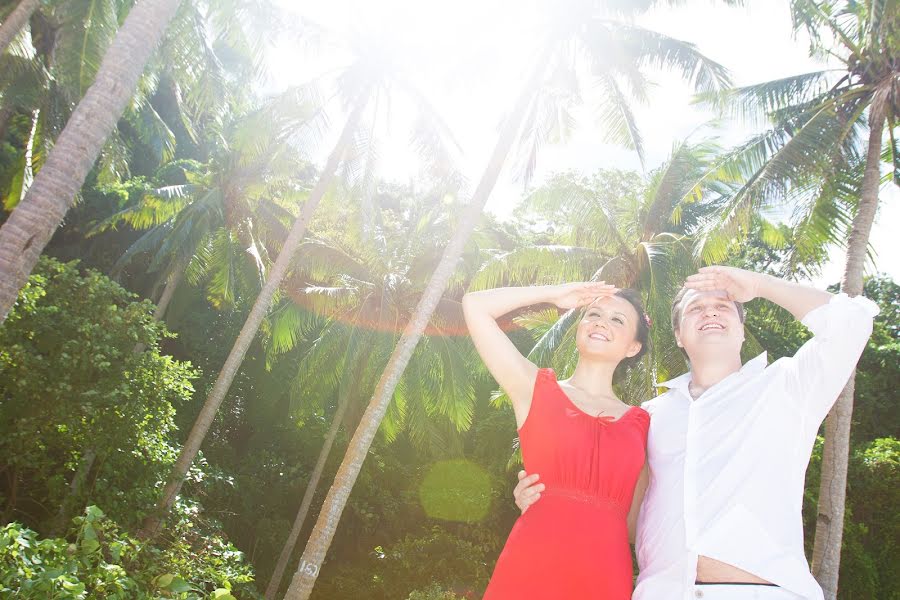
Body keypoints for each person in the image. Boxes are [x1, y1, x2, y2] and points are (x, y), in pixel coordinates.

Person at [513, 266, 879, 600]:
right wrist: (548, 498)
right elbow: (622, 517)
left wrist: (759, 284)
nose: (710, 312)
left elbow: (853, 321)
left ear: (741, 328)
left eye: (723, 305)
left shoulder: (788, 387)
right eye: (694, 308)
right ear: (677, 336)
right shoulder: (648, 417)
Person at [462, 282, 652, 599]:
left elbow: (638, 525)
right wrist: (555, 294)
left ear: (632, 347)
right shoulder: (534, 388)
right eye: (593, 313)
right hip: (531, 563)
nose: (602, 322)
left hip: (604, 575)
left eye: (618, 319)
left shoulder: (644, 424)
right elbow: (475, 306)